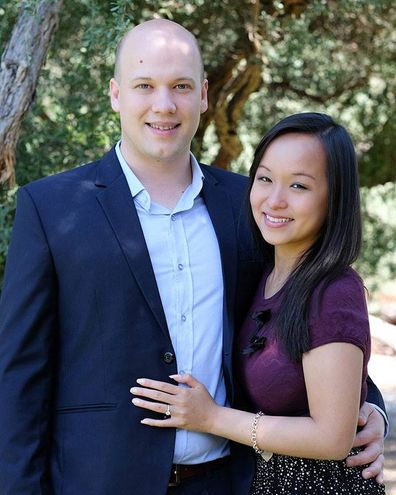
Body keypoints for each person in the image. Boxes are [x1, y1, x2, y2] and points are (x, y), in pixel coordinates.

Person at [0, 18, 385, 495]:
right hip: (96, 482)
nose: (164, 105)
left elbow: (306, 310)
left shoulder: (249, 205)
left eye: (181, 86)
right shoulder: (52, 207)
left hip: (228, 482)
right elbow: (19, 375)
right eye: (146, 86)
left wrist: (371, 408)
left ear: (203, 95)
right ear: (116, 94)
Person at [130, 112, 387, 494]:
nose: (275, 200)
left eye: (299, 186)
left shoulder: (333, 289)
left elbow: (333, 437)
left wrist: (212, 418)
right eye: (265, 179)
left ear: (335, 198)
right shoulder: (263, 273)